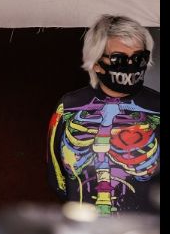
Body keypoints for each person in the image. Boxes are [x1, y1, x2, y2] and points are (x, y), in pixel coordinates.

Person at [47, 14, 160, 216]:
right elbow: (57, 177)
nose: (131, 64)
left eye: (139, 58)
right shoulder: (68, 106)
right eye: (119, 59)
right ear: (96, 63)